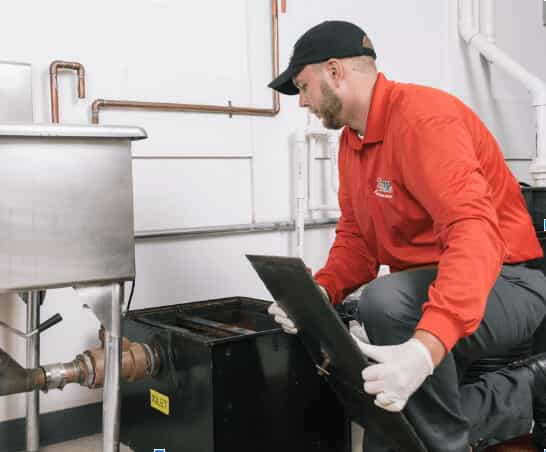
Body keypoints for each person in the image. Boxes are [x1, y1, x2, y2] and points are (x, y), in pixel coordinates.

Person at [266, 20, 546, 452]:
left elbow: (474, 235)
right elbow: (357, 238)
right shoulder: (352, 144)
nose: (302, 102)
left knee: (387, 303)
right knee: (387, 423)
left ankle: (507, 398)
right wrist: (321, 291)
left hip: (508, 282)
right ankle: (500, 404)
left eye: (304, 86)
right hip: (427, 289)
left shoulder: (423, 120)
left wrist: (425, 346)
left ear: (335, 72)